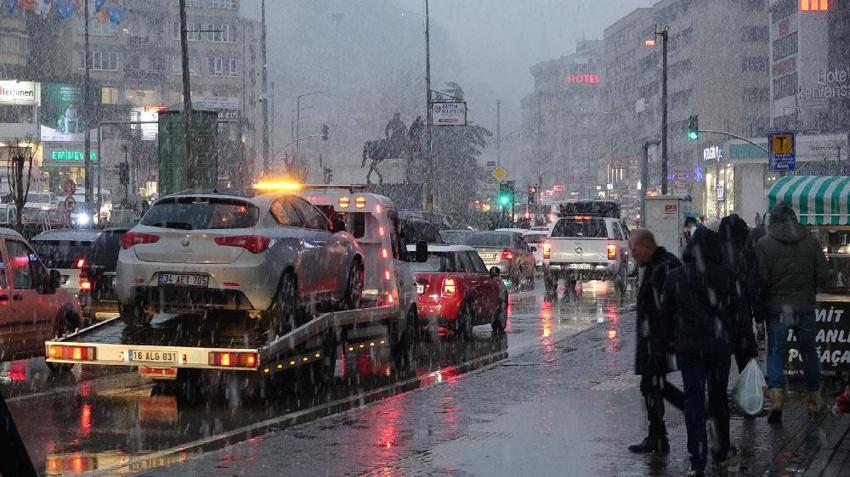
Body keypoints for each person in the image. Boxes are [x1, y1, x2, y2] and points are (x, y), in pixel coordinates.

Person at [661, 225, 739, 476]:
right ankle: (721, 450)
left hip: (689, 349)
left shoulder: (676, 277)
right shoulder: (727, 275)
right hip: (718, 348)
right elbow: (737, 313)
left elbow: (666, 316)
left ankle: (697, 458)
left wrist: (670, 342)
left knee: (693, 402)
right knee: (718, 400)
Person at [755, 202, 830, 422]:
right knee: (809, 351)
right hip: (805, 306)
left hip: (777, 308)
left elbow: (762, 279)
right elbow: (823, 275)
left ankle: (777, 398)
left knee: (776, 352)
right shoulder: (811, 242)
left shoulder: (764, 244)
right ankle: (814, 399)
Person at [627, 228, 684, 454]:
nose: (632, 254)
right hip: (653, 340)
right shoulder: (657, 266)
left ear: (647, 247)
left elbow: (668, 308)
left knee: (652, 385)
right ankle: (658, 435)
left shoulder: (663, 268)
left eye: (634, 249)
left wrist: (662, 341)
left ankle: (661, 435)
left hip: (657, 341)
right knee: (652, 385)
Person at [718, 214, 759, 372]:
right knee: (743, 354)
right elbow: (752, 285)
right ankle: (745, 389)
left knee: (722, 357)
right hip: (742, 310)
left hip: (721, 311)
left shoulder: (715, 251)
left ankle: (719, 393)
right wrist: (758, 311)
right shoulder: (746, 253)